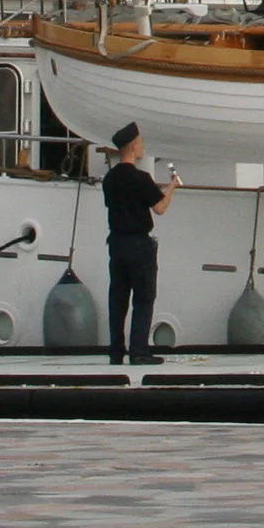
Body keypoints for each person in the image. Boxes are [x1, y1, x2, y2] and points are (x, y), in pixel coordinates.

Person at [101, 123, 174, 365]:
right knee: (143, 298)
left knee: (118, 298)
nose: (142, 146)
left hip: (117, 243)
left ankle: (115, 351)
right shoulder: (141, 178)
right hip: (139, 245)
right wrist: (172, 188)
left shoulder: (109, 179)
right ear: (133, 146)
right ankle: (139, 351)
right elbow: (160, 208)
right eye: (140, 143)